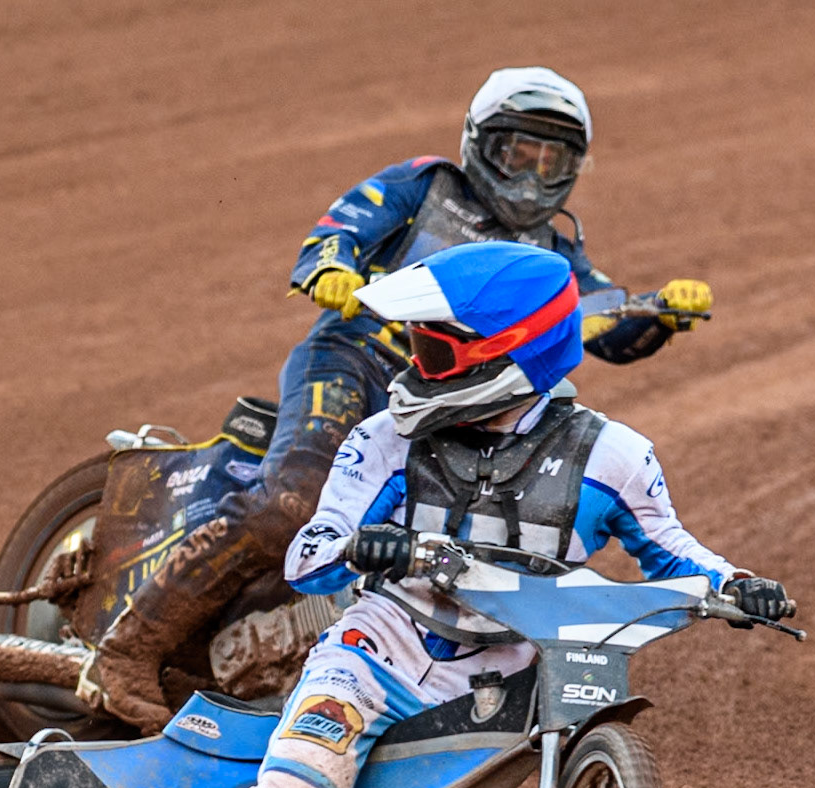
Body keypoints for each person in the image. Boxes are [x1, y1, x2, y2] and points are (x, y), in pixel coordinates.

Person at [34, 241, 792, 788]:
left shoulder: (611, 457)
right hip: (372, 660)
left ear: (509, 358)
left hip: (484, 710)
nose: (415, 364)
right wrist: (366, 542)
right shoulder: (388, 437)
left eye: (435, 349)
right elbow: (310, 555)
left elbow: (670, 550)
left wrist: (737, 587)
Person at [83, 65, 719, 734]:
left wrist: (655, 313)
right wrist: (331, 267)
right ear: (481, 143)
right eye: (516, 153)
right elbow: (338, 229)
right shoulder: (425, 186)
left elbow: (600, 323)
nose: (531, 176)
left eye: (550, 159)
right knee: (292, 504)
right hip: (356, 361)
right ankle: (125, 651)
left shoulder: (553, 254)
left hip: (458, 407)